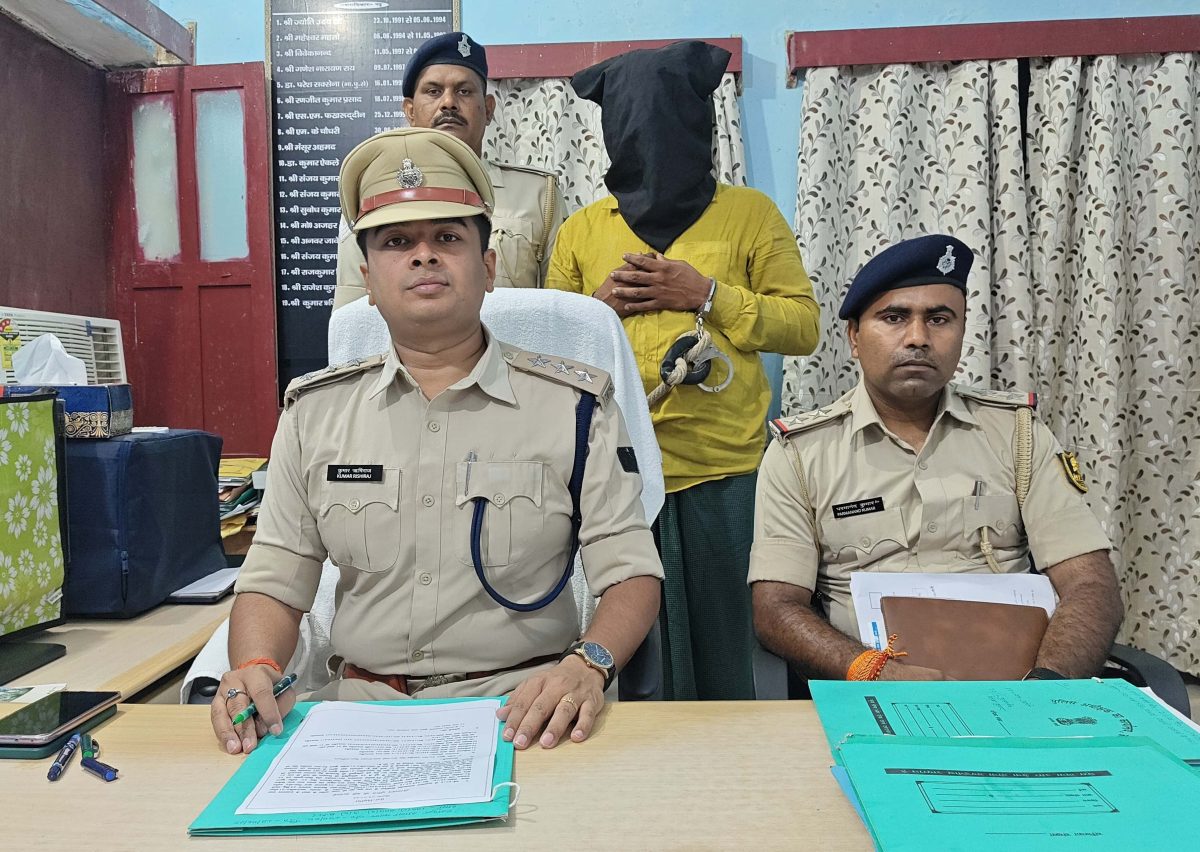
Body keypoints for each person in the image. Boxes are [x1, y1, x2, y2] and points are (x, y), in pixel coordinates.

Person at [212, 128, 662, 755]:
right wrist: (256, 666)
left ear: (488, 268)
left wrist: (588, 665)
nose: (424, 256)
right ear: (369, 280)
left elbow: (631, 572)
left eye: (447, 238)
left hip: (525, 716)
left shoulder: (575, 407)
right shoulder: (314, 415)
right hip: (359, 717)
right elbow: (275, 581)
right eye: (398, 242)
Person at [546, 41, 821, 700]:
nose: (654, 145)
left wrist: (705, 294)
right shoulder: (582, 231)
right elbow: (545, 358)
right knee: (635, 671)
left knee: (730, 660)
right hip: (616, 480)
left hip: (725, 478)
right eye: (636, 129)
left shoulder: (750, 214)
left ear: (700, 125)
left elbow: (803, 326)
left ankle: (732, 765)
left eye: (669, 124)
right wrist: (598, 311)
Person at [749, 234, 1123, 682]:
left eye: (939, 319)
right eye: (894, 318)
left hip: (1019, 689)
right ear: (854, 337)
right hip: (873, 691)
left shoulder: (1017, 434)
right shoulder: (801, 453)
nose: (917, 339)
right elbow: (776, 608)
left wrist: (1046, 687)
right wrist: (872, 671)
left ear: (962, 332)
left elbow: (1090, 583)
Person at [331, 31, 564, 309]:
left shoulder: (538, 195)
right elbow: (353, 312)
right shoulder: (373, 195)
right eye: (433, 91)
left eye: (464, 91)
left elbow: (558, 306)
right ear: (410, 111)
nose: (448, 103)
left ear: (489, 109)